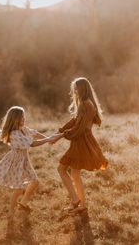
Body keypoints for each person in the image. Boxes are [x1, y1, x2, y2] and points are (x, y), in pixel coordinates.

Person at [50, 77, 108, 213]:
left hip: (82, 141)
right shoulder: (84, 103)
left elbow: (79, 129)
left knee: (62, 169)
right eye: (74, 89)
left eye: (76, 88)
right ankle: (81, 204)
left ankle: (76, 200)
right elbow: (75, 120)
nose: (74, 91)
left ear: (82, 89)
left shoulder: (86, 104)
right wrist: (60, 131)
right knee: (74, 173)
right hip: (80, 141)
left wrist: (60, 136)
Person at [0, 106, 57, 217]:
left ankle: (23, 204)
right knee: (18, 188)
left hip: (24, 160)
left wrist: (48, 138)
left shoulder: (22, 128)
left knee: (35, 182)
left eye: (24, 117)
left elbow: (34, 133)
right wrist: (48, 139)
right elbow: (32, 144)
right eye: (21, 117)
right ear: (14, 119)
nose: (24, 119)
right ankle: (11, 212)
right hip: (16, 162)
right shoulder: (14, 134)